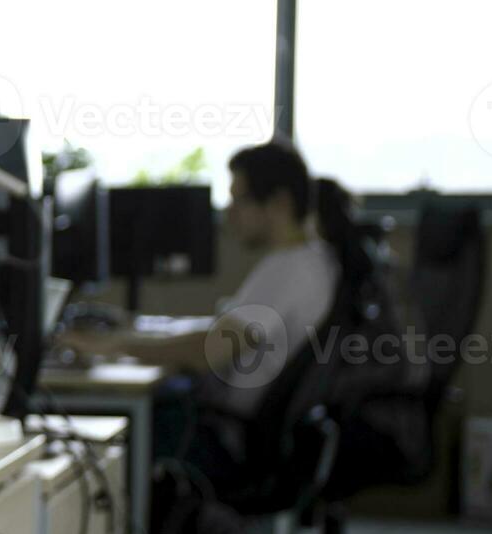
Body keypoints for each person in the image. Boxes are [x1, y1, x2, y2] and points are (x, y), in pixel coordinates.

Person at [58, 140, 354, 474]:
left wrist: (115, 344)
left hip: (226, 441)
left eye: (239, 199)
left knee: (115, 434)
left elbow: (209, 350)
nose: (229, 211)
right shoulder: (312, 259)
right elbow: (226, 332)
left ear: (279, 203)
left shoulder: (288, 271)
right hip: (243, 431)